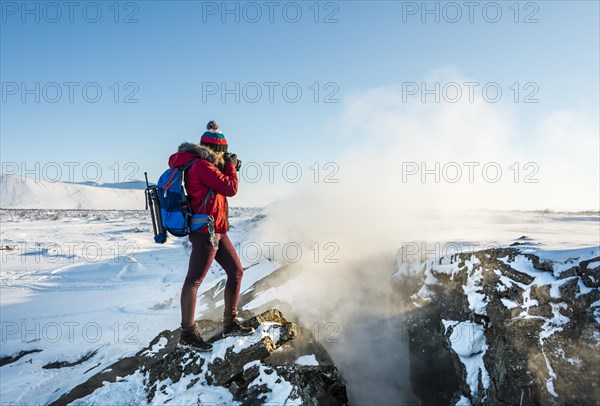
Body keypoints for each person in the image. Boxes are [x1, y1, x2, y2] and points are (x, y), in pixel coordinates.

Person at [168, 120, 254, 351]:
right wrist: (231, 166)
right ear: (217, 151)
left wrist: (226, 165)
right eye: (223, 152)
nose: (225, 157)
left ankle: (230, 322)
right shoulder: (201, 167)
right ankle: (187, 333)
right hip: (206, 232)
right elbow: (231, 188)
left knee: (236, 271)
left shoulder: (204, 166)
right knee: (194, 281)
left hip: (216, 230)